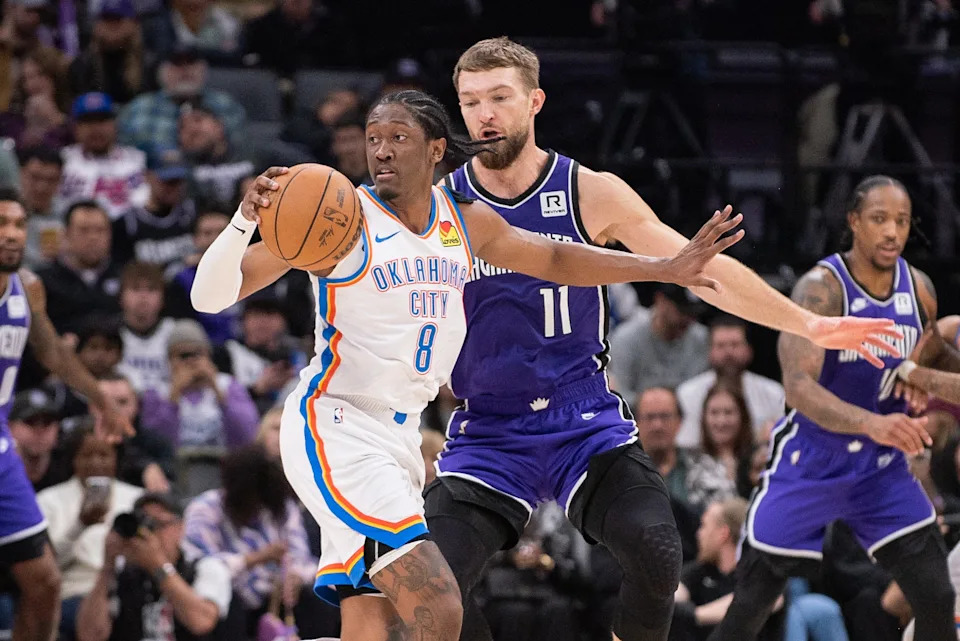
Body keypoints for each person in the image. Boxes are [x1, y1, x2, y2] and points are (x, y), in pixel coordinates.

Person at [190, 89, 750, 640]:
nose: (381, 150)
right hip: (338, 425)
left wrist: (662, 267)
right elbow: (209, 297)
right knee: (438, 604)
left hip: (402, 437)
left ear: (436, 149)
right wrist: (242, 224)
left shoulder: (462, 220)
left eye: (398, 138)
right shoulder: (342, 219)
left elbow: (552, 256)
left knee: (373, 620)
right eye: (373, 139)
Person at [423, 37, 908, 641]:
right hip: (489, 428)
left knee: (657, 550)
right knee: (431, 588)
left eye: (499, 97)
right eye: (470, 102)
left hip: (582, 421)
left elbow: (694, 267)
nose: (484, 115)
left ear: (535, 101)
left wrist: (804, 322)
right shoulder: (438, 208)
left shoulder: (585, 190)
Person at [708, 175, 957, 641]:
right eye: (879, 219)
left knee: (937, 594)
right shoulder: (822, 289)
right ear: (854, 222)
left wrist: (922, 377)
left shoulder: (919, 289)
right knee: (754, 602)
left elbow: (935, 357)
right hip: (812, 461)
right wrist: (873, 422)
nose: (892, 232)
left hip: (879, 469)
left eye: (901, 221)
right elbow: (798, 387)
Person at [0, 187, 130, 641]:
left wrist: (102, 399)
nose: (12, 235)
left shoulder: (27, 287)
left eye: (18, 224)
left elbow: (52, 350)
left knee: (45, 583)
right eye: (2, 225)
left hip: (1, 453)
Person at [74, 492, 235, 641]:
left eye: (159, 524)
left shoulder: (207, 568)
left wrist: (157, 565)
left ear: (180, 528)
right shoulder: (123, 574)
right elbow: (89, 635)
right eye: (144, 525)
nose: (151, 533)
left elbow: (201, 622)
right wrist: (107, 567)